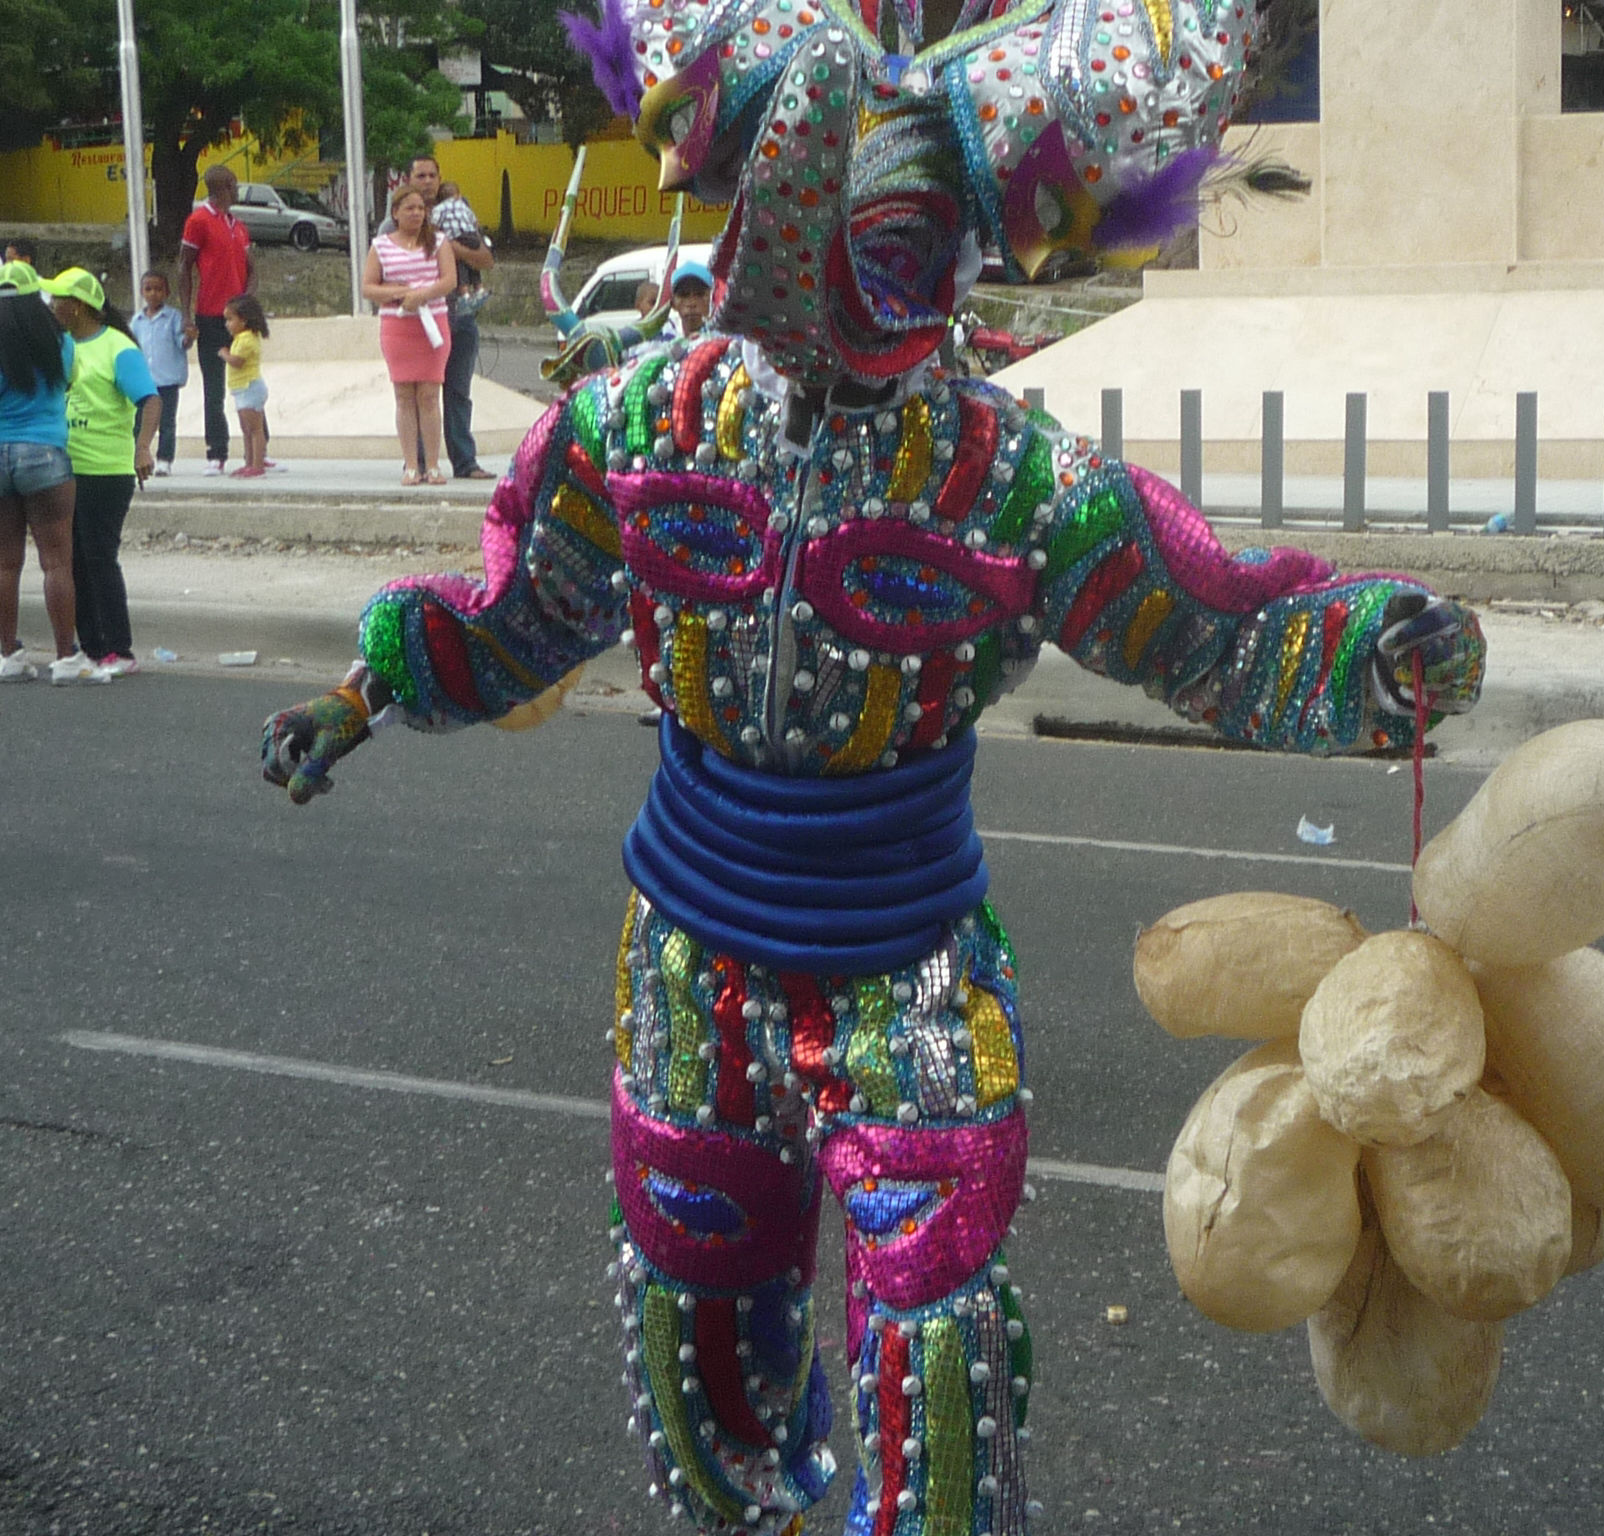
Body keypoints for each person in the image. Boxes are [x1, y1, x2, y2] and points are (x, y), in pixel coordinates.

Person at [258, 0, 1486, 1526]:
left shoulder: (1013, 477)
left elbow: (1204, 627)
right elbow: (521, 613)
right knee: (694, 1327)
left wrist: (1370, 656)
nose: (845, 278)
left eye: (894, 233)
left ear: (961, 243)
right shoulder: (647, 426)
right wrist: (363, 691)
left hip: (907, 973)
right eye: (812, 221)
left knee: (940, 1349)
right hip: (686, 969)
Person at [45, 267, 156, 679]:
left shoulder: (116, 348)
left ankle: (118, 648)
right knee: (72, 559)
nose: (53, 306)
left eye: (58, 300)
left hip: (106, 470)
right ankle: (91, 648)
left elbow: (150, 398)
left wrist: (142, 446)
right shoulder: (61, 345)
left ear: (77, 307)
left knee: (98, 556)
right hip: (65, 468)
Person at [0, 260, 101, 684]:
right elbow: (70, 382)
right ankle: (65, 657)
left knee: (6, 565)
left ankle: (7, 655)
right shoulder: (59, 342)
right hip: (45, 454)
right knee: (57, 563)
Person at [380, 155, 496, 480]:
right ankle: (415, 463)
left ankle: (465, 462)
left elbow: (486, 259)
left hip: (459, 317)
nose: (427, 181)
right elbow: (380, 275)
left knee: (458, 391)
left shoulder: (458, 214)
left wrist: (447, 245)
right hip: (414, 325)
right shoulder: (393, 227)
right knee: (415, 396)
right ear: (410, 178)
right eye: (420, 175)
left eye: (432, 175)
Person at [365, 186, 457, 486]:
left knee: (429, 396)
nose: (416, 213)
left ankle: (433, 465)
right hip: (398, 326)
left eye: (420, 208)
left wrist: (423, 295)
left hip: (432, 324)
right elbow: (369, 287)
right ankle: (411, 465)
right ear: (395, 213)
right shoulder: (381, 245)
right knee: (404, 396)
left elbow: (448, 280)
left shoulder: (438, 241)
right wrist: (401, 293)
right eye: (409, 208)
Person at [177, 164, 253, 476]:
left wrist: (248, 302)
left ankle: (258, 449)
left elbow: (252, 268)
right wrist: (185, 314)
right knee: (214, 386)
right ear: (224, 187)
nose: (237, 191)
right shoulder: (199, 221)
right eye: (234, 185)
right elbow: (183, 266)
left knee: (250, 382)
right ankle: (216, 452)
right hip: (210, 315)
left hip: (240, 317)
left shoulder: (238, 224)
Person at [132, 270, 190, 475]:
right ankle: (136, 456)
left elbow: (182, 342)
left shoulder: (174, 317)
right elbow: (131, 347)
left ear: (166, 292)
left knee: (166, 422)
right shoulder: (137, 320)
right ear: (142, 292)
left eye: (158, 289)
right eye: (148, 289)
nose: (153, 293)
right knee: (139, 421)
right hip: (144, 382)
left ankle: (164, 459)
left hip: (167, 381)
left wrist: (189, 337)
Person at [220, 294, 270, 479]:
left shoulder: (248, 339)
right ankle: (248, 462)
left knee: (255, 429)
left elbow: (237, 361)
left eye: (230, 319)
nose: (227, 324)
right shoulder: (240, 338)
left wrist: (224, 354)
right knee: (246, 429)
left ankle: (257, 464)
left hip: (250, 388)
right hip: (241, 389)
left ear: (244, 320)